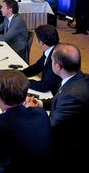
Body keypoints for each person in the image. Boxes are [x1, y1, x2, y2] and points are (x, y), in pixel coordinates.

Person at [25, 43, 89, 172]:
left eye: (52, 61)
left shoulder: (71, 96)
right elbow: (60, 97)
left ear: (58, 66)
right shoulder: (79, 78)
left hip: (69, 150)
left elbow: (49, 128)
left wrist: (34, 109)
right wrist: (40, 103)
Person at [22, 25, 62, 95]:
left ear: (41, 43)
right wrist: (19, 74)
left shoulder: (56, 57)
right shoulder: (51, 48)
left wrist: (22, 81)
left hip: (55, 95)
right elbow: (38, 66)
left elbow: (44, 86)